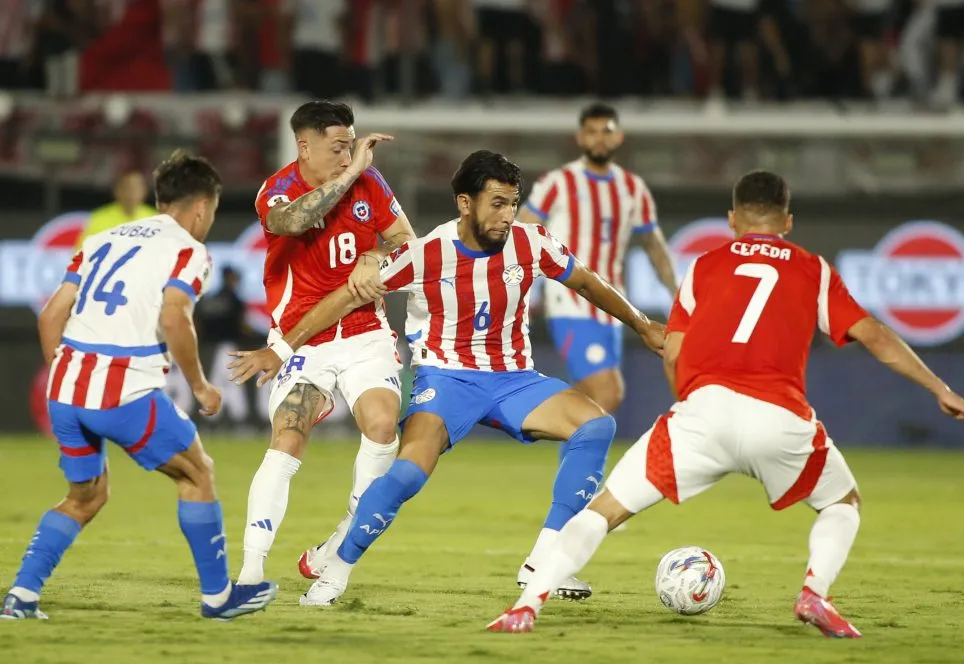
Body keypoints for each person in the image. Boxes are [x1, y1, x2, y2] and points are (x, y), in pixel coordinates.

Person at [488, 170, 964, 637]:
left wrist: (689, 404)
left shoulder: (706, 266)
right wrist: (940, 388)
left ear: (733, 219)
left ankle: (526, 606)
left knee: (604, 511)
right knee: (842, 503)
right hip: (782, 418)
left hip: (703, 414)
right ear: (787, 221)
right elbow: (875, 336)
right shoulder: (813, 270)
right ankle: (815, 592)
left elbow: (675, 351)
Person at [228, 150, 665, 606]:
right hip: (447, 381)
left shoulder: (532, 243)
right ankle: (334, 572)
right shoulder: (425, 254)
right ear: (464, 203)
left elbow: (587, 281)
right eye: (496, 203)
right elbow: (342, 299)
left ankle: (545, 558)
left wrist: (642, 324)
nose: (507, 215)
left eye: (512, 203)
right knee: (406, 476)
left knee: (596, 426)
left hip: (513, 380)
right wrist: (280, 348)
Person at [1, 151, 279, 621]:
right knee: (197, 474)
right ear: (200, 208)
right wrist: (201, 385)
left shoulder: (101, 240)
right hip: (123, 388)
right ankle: (218, 598)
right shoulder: (188, 250)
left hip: (67, 390)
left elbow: (51, 315)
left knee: (85, 496)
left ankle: (21, 597)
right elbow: (175, 316)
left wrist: (67, 377)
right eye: (210, 213)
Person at [235, 100, 416, 588]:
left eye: (351, 147)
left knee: (382, 428)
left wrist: (377, 254)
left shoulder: (370, 185)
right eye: (339, 148)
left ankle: (340, 542)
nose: (348, 156)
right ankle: (252, 569)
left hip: (364, 334)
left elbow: (406, 240)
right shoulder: (277, 191)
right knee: (288, 434)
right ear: (304, 146)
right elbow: (291, 223)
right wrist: (350, 172)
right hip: (303, 341)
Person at [518, 103, 676, 416]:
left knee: (593, 401)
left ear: (619, 138)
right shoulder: (558, 183)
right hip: (570, 300)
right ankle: (534, 418)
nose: (599, 139)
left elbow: (654, 245)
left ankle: (572, 455)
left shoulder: (632, 188)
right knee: (609, 391)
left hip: (612, 307)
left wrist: (676, 293)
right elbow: (522, 232)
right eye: (592, 132)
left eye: (607, 131)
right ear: (580, 138)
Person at [76, 170, 159, 250]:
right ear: (117, 190)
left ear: (145, 191)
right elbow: (82, 252)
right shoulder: (99, 218)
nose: (132, 193)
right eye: (127, 187)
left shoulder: (156, 219)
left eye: (136, 188)